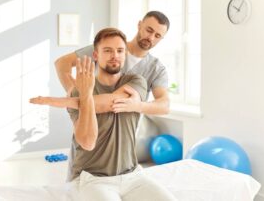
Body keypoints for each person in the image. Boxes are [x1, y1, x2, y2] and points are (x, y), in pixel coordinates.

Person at [30, 28, 177, 201]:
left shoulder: (136, 81)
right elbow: (87, 141)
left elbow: (112, 102)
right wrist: (83, 95)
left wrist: (68, 101)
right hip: (93, 179)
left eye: (120, 51)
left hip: (133, 176)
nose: (115, 55)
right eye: (108, 50)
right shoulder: (79, 90)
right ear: (95, 55)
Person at [55, 11, 170, 115]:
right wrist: (73, 91)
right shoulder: (107, 47)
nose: (151, 37)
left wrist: (138, 106)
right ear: (139, 25)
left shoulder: (156, 69)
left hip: (124, 131)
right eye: (149, 30)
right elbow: (62, 63)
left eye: (157, 36)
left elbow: (164, 106)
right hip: (91, 119)